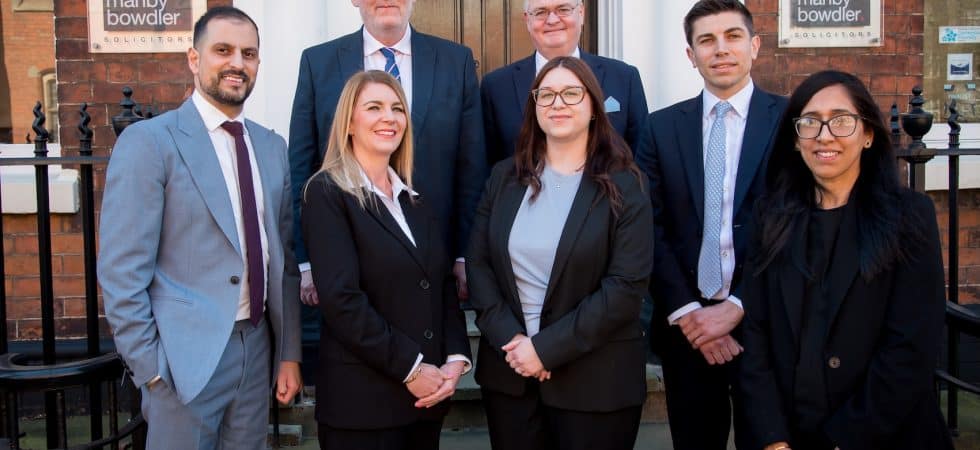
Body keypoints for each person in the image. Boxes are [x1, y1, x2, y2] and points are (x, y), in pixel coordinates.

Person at [97, 7, 302, 449]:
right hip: (182, 360)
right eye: (222, 50)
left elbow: (283, 260)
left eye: (248, 53)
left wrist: (288, 353)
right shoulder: (151, 142)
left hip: (257, 348)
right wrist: (151, 369)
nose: (237, 63)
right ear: (194, 59)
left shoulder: (271, 146)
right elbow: (121, 271)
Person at [736, 70, 954, 450]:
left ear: (868, 134)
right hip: (788, 436)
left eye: (841, 120)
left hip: (881, 437)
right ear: (796, 138)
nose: (824, 135)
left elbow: (910, 348)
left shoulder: (909, 217)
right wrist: (773, 438)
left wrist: (844, 441)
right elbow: (754, 335)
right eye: (810, 122)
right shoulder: (770, 218)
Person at [467, 56, 653, 450]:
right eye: (546, 94)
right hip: (512, 376)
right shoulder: (504, 177)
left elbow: (624, 288)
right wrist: (514, 342)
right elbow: (480, 266)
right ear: (534, 107)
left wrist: (544, 350)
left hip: (596, 382)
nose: (558, 103)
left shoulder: (626, 184)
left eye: (571, 93)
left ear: (594, 107)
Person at [633, 1, 787, 448]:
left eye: (732, 36)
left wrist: (738, 305)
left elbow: (795, 224)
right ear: (691, 55)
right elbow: (647, 226)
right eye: (707, 40)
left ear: (754, 46)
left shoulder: (790, 121)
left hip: (767, 319)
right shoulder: (660, 128)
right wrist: (689, 314)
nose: (720, 49)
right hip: (687, 326)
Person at [301, 70, 472, 450]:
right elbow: (342, 300)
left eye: (397, 108)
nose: (389, 118)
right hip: (363, 407)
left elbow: (441, 285)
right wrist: (411, 368)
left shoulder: (414, 200)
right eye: (374, 107)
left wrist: (455, 358)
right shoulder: (326, 193)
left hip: (425, 402)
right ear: (349, 123)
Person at [289, 0, 486, 319]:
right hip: (346, 265)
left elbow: (472, 167)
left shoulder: (455, 61)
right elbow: (301, 165)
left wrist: (466, 255)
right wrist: (304, 259)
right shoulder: (318, 62)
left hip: (435, 264)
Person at [481, 0, 647, 163]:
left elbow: (641, 159)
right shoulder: (496, 86)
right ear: (528, 20)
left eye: (563, 9)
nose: (552, 20)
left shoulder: (624, 77)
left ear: (581, 13)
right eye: (540, 12)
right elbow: (488, 164)